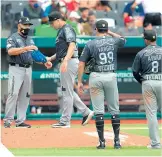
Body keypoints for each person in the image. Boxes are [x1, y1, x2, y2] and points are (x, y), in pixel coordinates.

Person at [78, 20, 126, 149]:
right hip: (110, 76)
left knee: (99, 111)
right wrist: (109, 32)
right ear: (106, 29)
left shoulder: (90, 43)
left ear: (96, 29)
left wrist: (79, 81)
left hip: (96, 77)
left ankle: (102, 142)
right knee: (114, 110)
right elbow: (123, 40)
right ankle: (117, 141)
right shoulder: (113, 41)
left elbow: (81, 63)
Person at [47, 11, 94, 128]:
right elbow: (61, 51)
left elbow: (72, 45)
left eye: (52, 23)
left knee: (66, 92)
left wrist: (66, 60)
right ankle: (86, 112)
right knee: (68, 91)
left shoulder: (67, 28)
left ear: (58, 20)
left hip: (70, 61)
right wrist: (51, 58)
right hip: (67, 60)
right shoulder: (61, 31)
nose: (52, 26)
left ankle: (65, 121)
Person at [3, 17, 52, 128]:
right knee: (13, 94)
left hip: (28, 68)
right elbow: (10, 51)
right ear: (19, 25)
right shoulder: (13, 37)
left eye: (29, 25)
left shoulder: (30, 39)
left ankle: (20, 121)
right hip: (16, 68)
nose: (27, 27)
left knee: (25, 95)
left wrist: (44, 62)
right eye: (25, 25)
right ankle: (8, 120)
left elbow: (34, 55)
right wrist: (26, 48)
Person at [132, 29, 162, 149]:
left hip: (148, 82)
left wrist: (142, 81)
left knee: (151, 114)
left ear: (146, 40)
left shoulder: (141, 53)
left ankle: (155, 143)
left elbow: (135, 72)